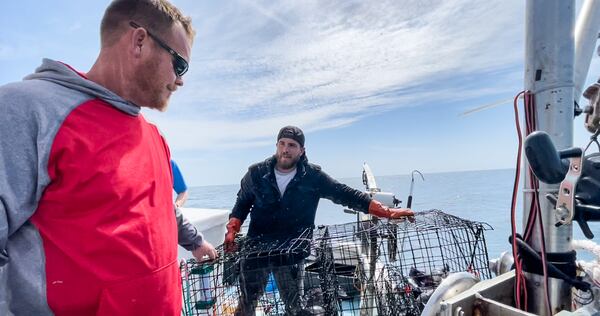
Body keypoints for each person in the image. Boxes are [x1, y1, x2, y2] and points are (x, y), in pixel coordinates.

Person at [0, 0, 216, 314]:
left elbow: (163, 209)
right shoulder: (26, 109)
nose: (181, 80)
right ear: (139, 41)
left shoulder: (154, 137)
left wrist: (195, 243)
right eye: (179, 64)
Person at [224, 125, 414, 316]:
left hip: (292, 252)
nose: (285, 149)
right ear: (276, 145)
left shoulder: (313, 177)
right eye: (282, 144)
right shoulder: (256, 173)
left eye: (292, 145)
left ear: (302, 150)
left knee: (294, 307)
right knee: (247, 304)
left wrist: (387, 212)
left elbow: (346, 194)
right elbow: (242, 203)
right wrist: (233, 228)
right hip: (257, 249)